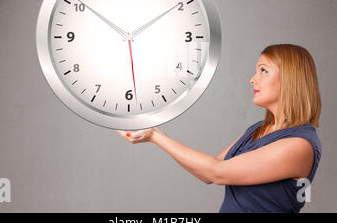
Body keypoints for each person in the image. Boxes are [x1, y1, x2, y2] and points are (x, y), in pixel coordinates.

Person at [117, 44, 322, 213]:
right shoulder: (258, 130)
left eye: (263, 70)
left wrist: (155, 135)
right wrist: (149, 131)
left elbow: (217, 172)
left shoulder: (299, 145)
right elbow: (208, 173)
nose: (253, 79)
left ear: (290, 79)